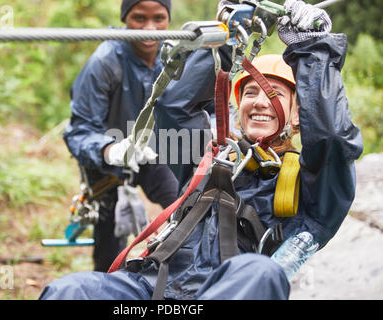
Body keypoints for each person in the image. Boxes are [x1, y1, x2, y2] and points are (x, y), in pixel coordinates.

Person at [40, 0, 363, 299]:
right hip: (152, 287)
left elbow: (332, 141)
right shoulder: (209, 156)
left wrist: (313, 51)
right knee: (72, 290)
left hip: (227, 290)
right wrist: (227, 36)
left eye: (276, 94)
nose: (261, 101)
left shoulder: (307, 187)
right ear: (238, 105)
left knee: (262, 272)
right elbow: (175, 109)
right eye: (250, 92)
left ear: (297, 114)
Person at [61, 0, 179, 272]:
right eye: (139, 18)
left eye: (159, 18)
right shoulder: (105, 61)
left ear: (168, 18)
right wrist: (111, 151)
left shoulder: (175, 55)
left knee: (184, 208)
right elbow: (79, 131)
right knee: (110, 249)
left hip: (154, 153)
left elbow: (205, 108)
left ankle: (176, 280)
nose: (150, 28)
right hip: (106, 162)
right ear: (125, 18)